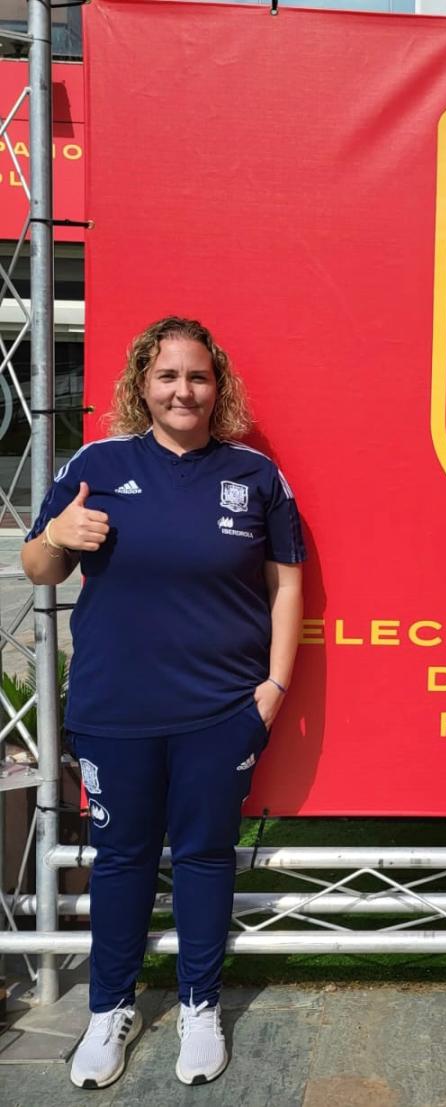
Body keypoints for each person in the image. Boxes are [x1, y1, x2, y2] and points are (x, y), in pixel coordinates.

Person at [21, 317, 305, 1089]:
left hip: (221, 710)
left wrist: (273, 688)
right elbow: (38, 566)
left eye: (199, 376)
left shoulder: (255, 476)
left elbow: (286, 585)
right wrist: (59, 534)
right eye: (169, 375)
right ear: (142, 384)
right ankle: (108, 1010)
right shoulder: (99, 462)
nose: (185, 390)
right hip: (117, 709)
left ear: (219, 387)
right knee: (123, 859)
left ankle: (199, 1005)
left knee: (208, 856)